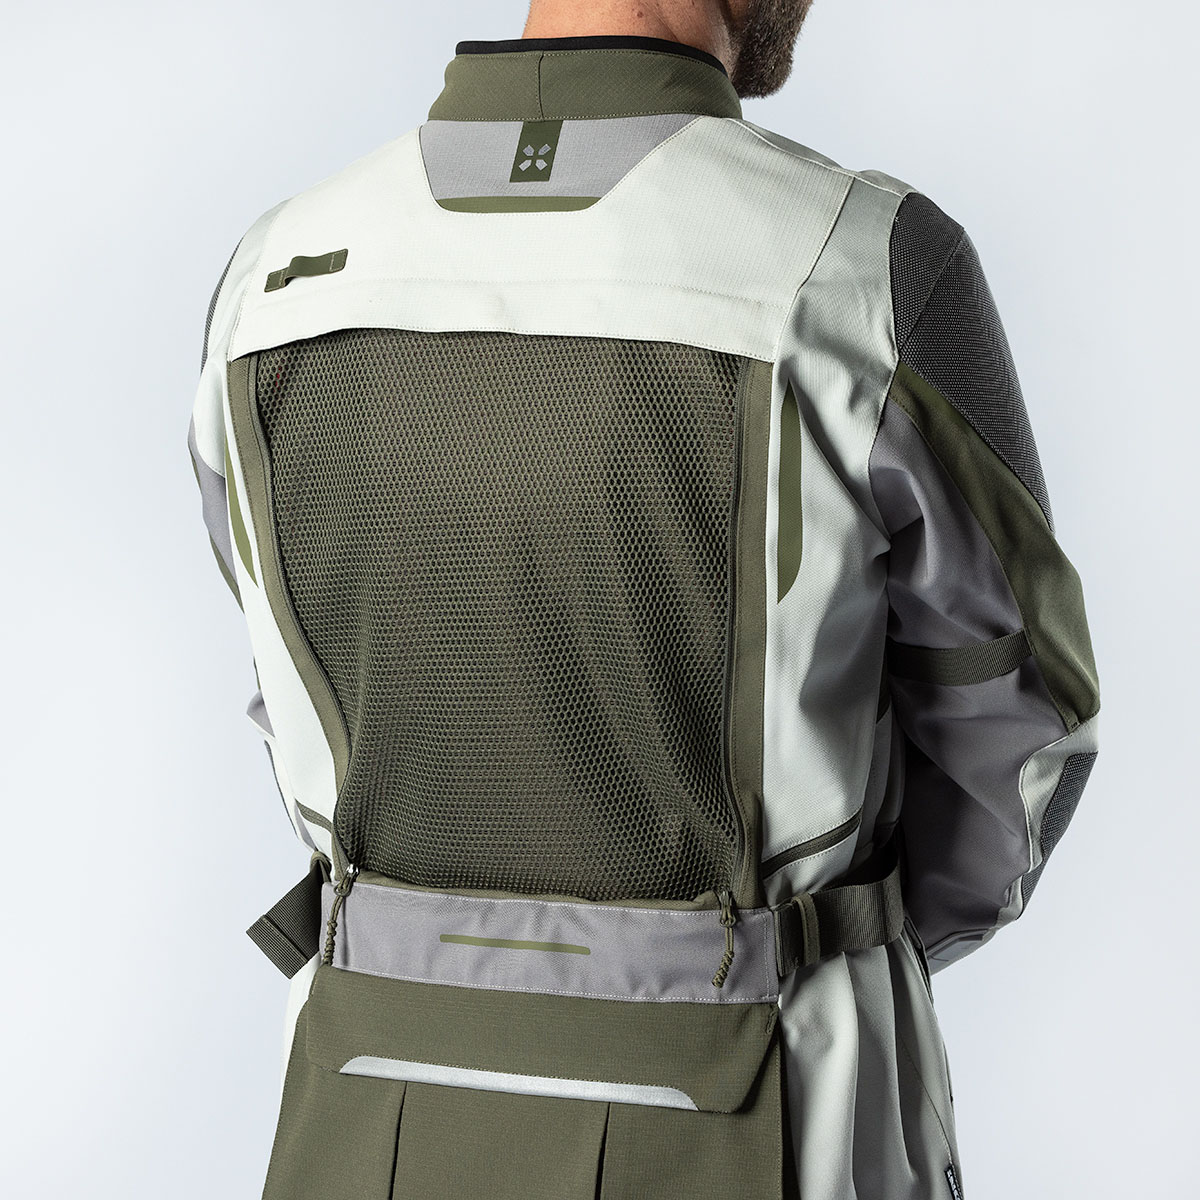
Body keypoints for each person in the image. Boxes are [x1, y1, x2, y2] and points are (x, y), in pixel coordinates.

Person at [186, 2, 1101, 1196]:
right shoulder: (859, 264)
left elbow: (284, 689)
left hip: (359, 1116)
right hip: (765, 1104)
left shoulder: (269, 283)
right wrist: (829, 945)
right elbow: (1020, 737)